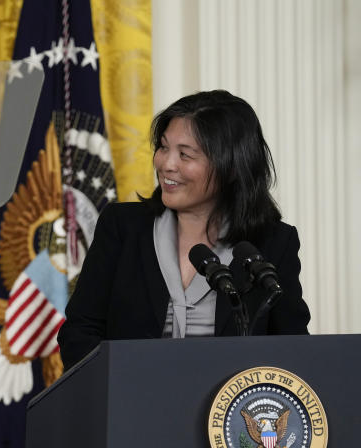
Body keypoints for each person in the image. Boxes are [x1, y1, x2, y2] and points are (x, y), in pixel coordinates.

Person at [58, 90, 311, 369]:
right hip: (130, 406)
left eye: (185, 155)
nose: (167, 164)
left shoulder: (274, 243)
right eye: (164, 147)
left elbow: (294, 349)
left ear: (233, 168)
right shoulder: (122, 227)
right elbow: (80, 332)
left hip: (230, 411)